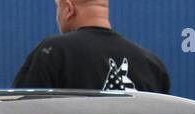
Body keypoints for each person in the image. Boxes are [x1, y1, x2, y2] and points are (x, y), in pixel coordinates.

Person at [14, 0, 171, 94]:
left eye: (58, 8)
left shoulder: (53, 53)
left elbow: (20, 113)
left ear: (68, 9)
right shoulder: (152, 64)